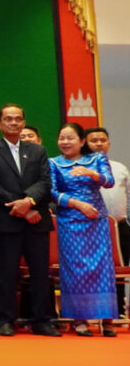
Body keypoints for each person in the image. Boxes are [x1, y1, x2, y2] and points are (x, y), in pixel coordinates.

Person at [0, 104, 60, 336]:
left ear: (23, 122)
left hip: (37, 220)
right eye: (8, 119)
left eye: (18, 119)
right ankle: (6, 320)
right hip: (8, 220)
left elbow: (45, 182)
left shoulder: (38, 151)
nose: (13, 122)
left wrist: (29, 201)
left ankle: (42, 321)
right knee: (6, 273)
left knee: (40, 273)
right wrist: (22, 208)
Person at [49, 123, 118, 337]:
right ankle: (79, 319)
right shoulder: (53, 163)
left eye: (70, 138)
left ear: (81, 141)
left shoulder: (96, 159)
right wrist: (77, 204)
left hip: (96, 221)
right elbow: (52, 192)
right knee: (75, 269)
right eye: (62, 138)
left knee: (102, 267)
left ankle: (107, 319)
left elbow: (109, 182)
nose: (65, 142)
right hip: (69, 221)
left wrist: (93, 174)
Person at [85, 126, 130, 263]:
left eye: (103, 140)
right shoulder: (79, 168)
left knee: (120, 268)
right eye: (94, 141)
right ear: (84, 143)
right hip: (90, 227)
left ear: (108, 144)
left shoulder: (120, 168)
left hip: (120, 227)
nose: (99, 144)